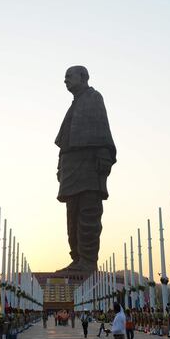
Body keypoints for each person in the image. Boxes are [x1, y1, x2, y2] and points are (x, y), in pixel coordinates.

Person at [55, 65, 117, 272]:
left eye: (69, 76)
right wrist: (59, 166)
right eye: (64, 77)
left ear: (83, 77)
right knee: (71, 218)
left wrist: (104, 157)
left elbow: (102, 130)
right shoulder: (74, 105)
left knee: (88, 214)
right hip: (71, 168)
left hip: (89, 166)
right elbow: (64, 142)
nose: (65, 80)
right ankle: (77, 258)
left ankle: (88, 261)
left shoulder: (93, 98)